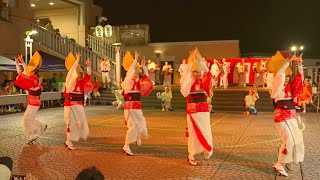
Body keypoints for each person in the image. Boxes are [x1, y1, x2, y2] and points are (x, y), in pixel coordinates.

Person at [267, 52, 304, 177]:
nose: (287, 78)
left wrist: (299, 65)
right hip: (281, 114)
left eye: (288, 76)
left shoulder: (289, 88)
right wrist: (287, 62)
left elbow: (300, 80)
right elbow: (279, 75)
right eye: (285, 76)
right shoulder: (276, 87)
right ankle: (280, 163)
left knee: (297, 138)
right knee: (288, 140)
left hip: (291, 114)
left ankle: (289, 161)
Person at [180, 49, 213, 166]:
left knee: (205, 131)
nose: (196, 73)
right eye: (193, 71)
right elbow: (184, 92)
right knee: (193, 134)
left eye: (198, 71)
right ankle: (191, 155)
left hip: (203, 111)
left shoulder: (204, 80)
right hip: (192, 112)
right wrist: (191, 65)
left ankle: (206, 148)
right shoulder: (187, 81)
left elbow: (209, 73)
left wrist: (200, 61)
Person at [121, 51, 153, 156]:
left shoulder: (138, 83)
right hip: (130, 107)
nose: (135, 74)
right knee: (134, 126)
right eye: (133, 72)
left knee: (142, 122)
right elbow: (130, 72)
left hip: (137, 107)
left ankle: (138, 137)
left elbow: (147, 81)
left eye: (136, 73)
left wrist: (144, 67)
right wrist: (135, 60)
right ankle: (126, 145)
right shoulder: (128, 82)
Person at [14, 53, 47, 144]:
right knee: (29, 119)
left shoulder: (32, 79)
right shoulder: (33, 78)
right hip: (33, 103)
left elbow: (21, 73)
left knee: (26, 119)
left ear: (33, 71)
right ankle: (36, 131)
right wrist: (22, 62)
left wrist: (18, 64)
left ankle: (36, 132)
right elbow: (25, 71)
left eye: (30, 70)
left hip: (34, 103)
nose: (28, 71)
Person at [64, 53, 91, 150]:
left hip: (79, 106)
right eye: (79, 73)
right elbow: (71, 72)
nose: (81, 74)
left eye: (81, 73)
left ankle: (69, 140)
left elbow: (88, 76)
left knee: (81, 124)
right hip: (70, 106)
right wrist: (77, 61)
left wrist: (88, 66)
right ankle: (69, 141)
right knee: (70, 124)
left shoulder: (81, 81)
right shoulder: (69, 83)